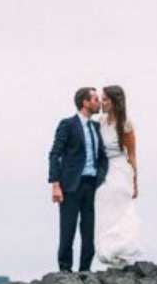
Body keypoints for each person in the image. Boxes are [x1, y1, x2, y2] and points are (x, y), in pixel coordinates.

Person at [48, 87, 108, 272]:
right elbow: (55, 154)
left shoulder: (97, 127)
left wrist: (100, 177)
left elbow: (103, 157)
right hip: (71, 185)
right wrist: (55, 185)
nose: (98, 102)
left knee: (89, 231)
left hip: (92, 185)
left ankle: (85, 271)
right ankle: (65, 271)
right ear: (85, 102)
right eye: (95, 99)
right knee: (68, 230)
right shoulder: (68, 124)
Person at [95, 85, 142, 266]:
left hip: (121, 170)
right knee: (105, 210)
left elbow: (132, 155)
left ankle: (123, 251)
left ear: (115, 102)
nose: (102, 102)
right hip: (104, 170)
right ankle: (108, 251)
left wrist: (135, 182)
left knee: (123, 211)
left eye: (105, 99)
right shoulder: (100, 121)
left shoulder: (126, 124)